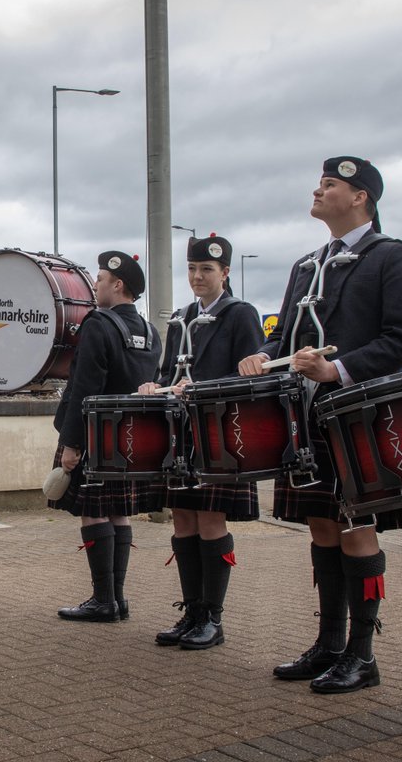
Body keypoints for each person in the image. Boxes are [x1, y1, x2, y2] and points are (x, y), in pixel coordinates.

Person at [237, 156, 402, 693]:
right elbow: (283, 338)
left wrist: (336, 369)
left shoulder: (392, 257)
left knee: (354, 527)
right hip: (307, 418)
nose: (317, 192)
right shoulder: (306, 265)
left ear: (361, 196)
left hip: (360, 414)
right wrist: (262, 354)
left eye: (329, 185)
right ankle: (329, 644)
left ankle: (362, 656)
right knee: (322, 527)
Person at [138, 234, 264, 649]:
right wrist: (154, 386)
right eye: (192, 269)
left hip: (220, 432)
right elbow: (170, 374)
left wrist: (199, 388)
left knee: (211, 520)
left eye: (206, 270)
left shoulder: (241, 314)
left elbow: (251, 377)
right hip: (181, 433)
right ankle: (191, 611)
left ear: (224, 272)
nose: (197, 277)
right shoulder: (180, 318)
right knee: (182, 518)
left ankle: (213, 617)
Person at [50, 251, 161, 622]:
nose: (94, 285)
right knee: (119, 514)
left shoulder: (99, 324)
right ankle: (117, 599)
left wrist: (71, 444)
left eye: (99, 279)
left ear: (117, 284)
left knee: (92, 513)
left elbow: (85, 388)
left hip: (94, 436)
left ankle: (103, 600)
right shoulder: (149, 331)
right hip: (129, 438)